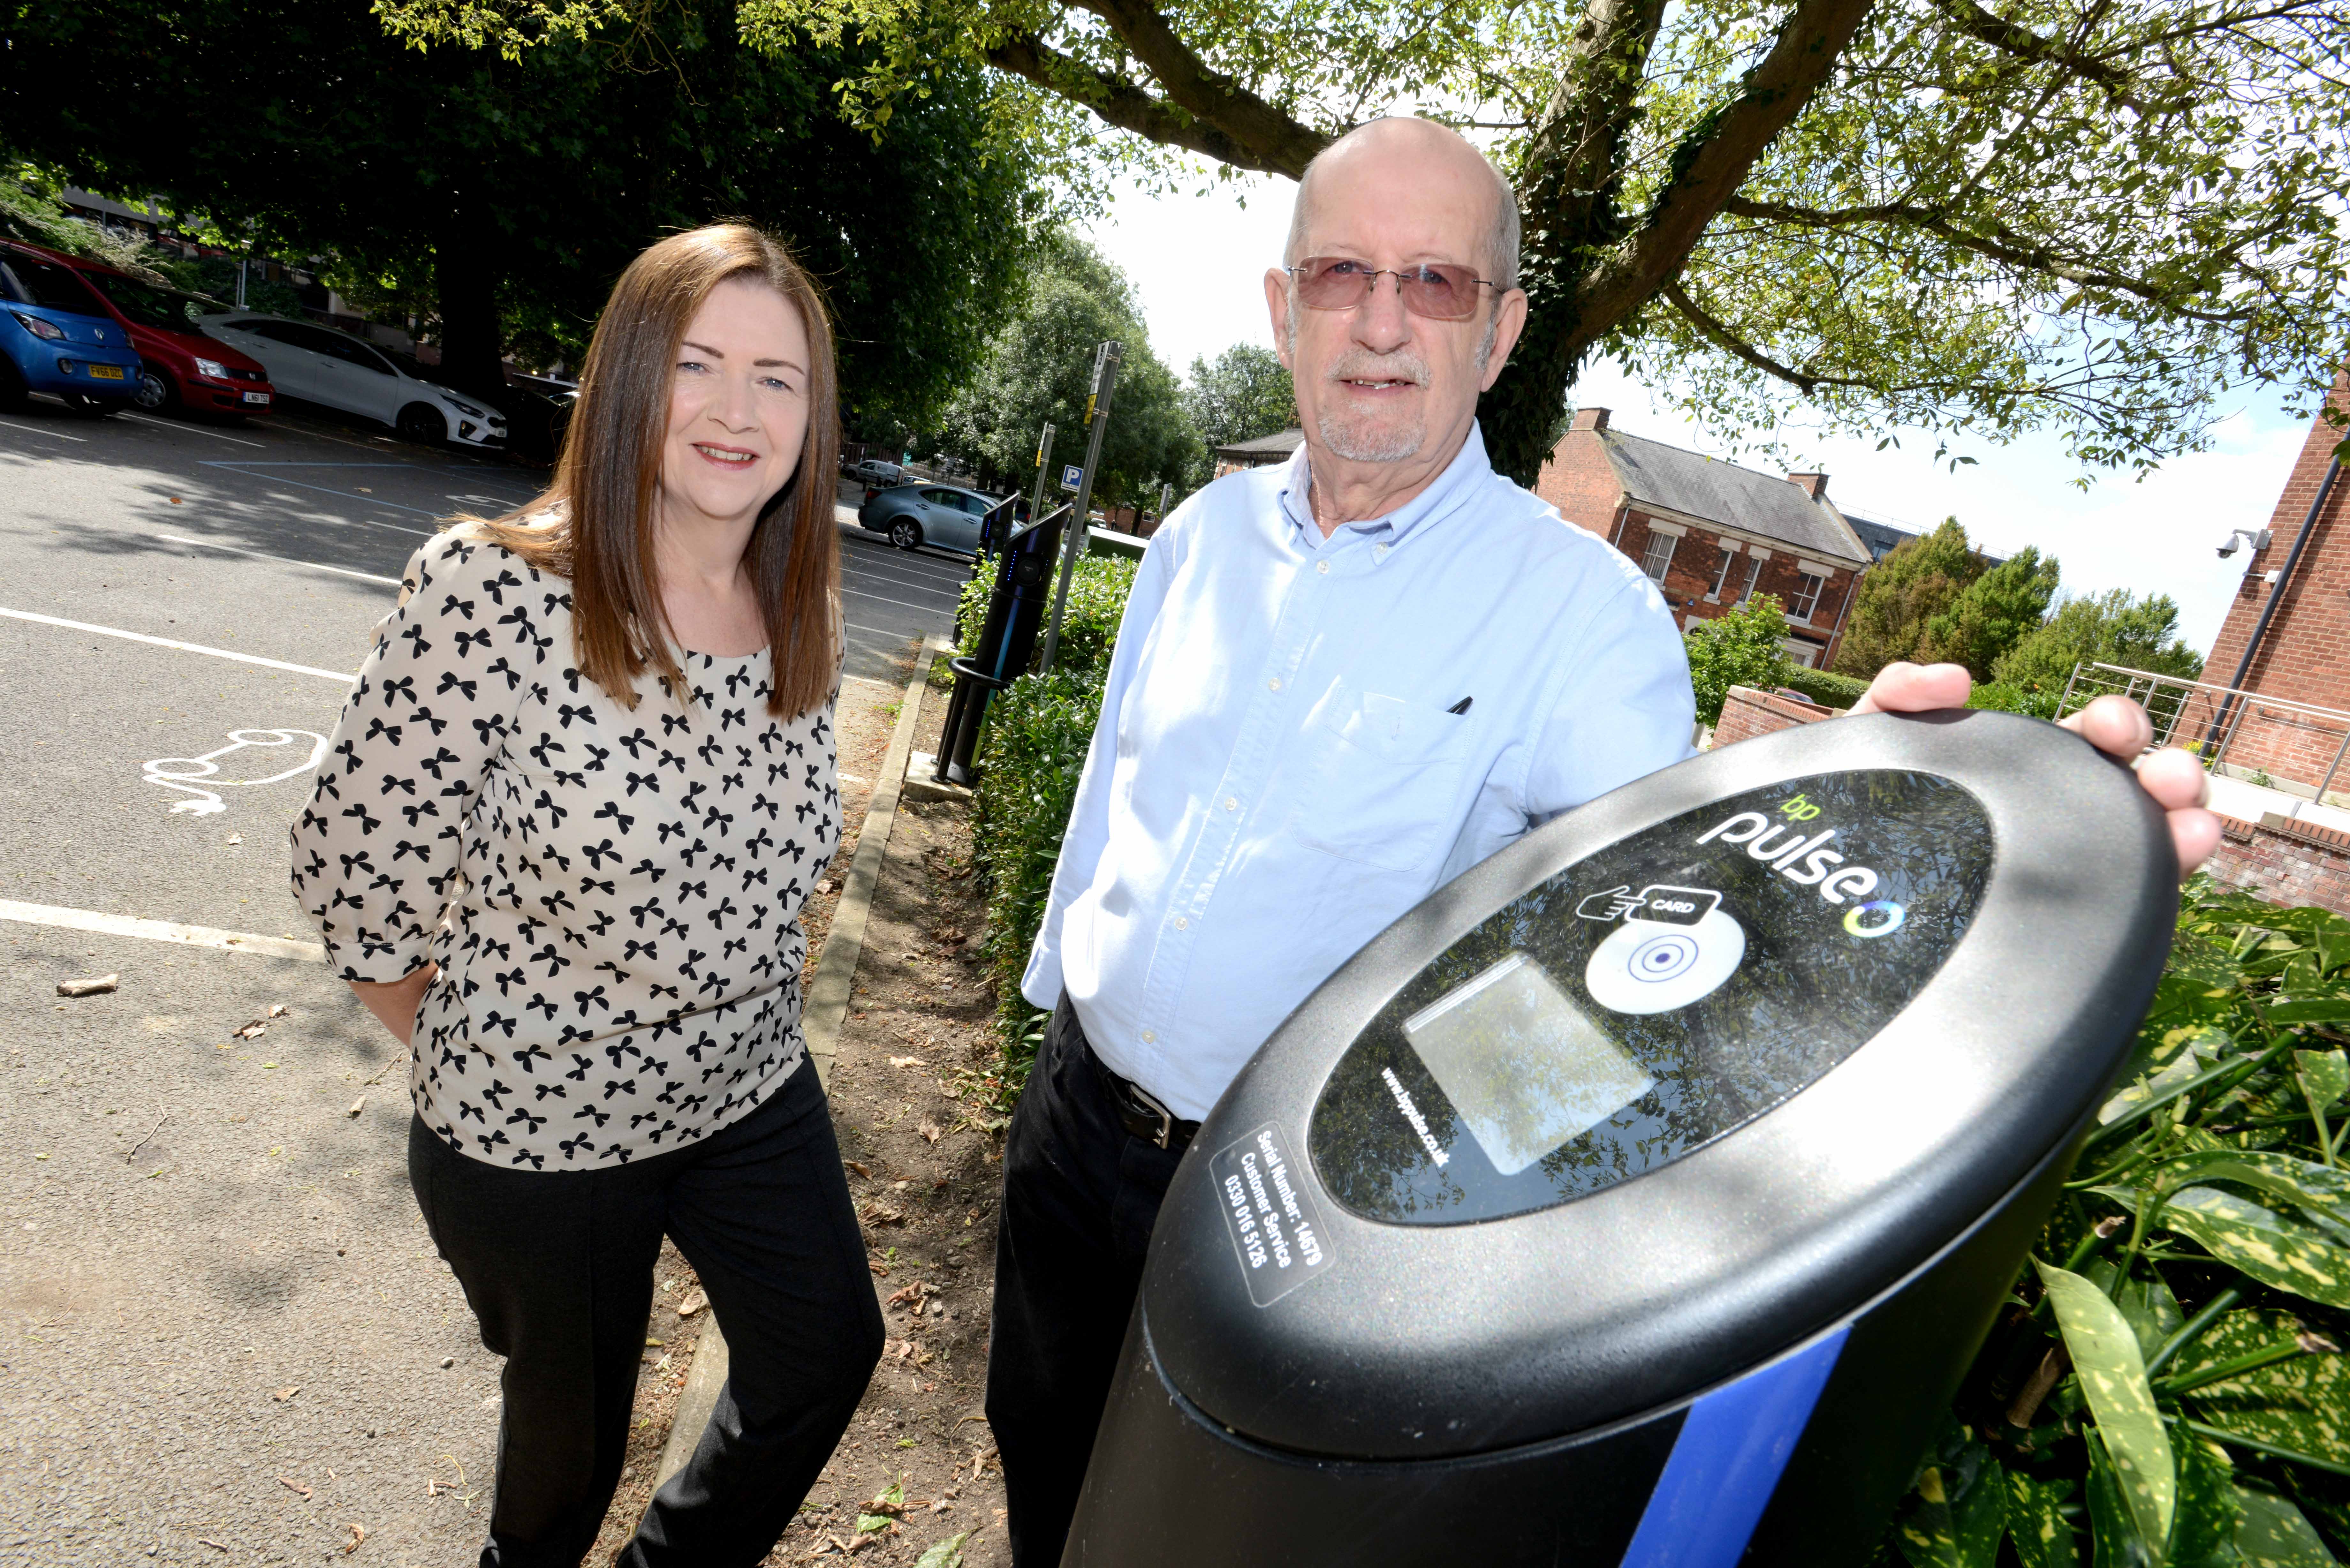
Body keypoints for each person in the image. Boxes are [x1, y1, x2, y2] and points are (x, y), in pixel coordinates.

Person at [980, 117, 2221, 1565]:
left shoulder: (1585, 616)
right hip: (1071, 1126)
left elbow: (1658, 928)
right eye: (1341, 274)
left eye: (1436, 282)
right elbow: (1113, 801)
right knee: (1036, 1461)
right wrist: (1055, 992)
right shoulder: (1193, 537)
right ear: (1281, 305)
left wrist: (1863, 808)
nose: (1382, 320)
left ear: (1501, 333)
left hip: (1288, 1237)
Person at [291, 224, 882, 1568]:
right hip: (544, 1130)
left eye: (779, 379)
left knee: (827, 1353)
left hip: (747, 1087)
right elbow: (352, 866)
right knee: (560, 1486)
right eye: (699, 365)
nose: (739, 411)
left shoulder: (804, 605)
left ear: (815, 412)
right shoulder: (497, 588)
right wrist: (479, 1041)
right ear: (629, 382)